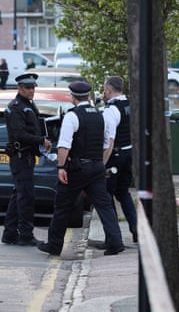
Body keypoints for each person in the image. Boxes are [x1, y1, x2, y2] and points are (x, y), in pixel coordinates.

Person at [38, 81, 125, 256]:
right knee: (104, 206)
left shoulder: (72, 116)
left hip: (77, 168)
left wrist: (61, 167)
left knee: (62, 206)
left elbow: (64, 145)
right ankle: (116, 242)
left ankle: (54, 245)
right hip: (97, 167)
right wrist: (101, 163)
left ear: (72, 96)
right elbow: (107, 142)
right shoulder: (100, 115)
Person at [1, 73, 51, 246]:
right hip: (20, 157)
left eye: (33, 88)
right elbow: (20, 134)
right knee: (26, 197)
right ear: (20, 88)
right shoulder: (15, 107)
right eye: (28, 88)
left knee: (19, 196)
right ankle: (26, 234)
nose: (32, 91)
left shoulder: (27, 105)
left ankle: (9, 233)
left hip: (27, 157)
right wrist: (41, 140)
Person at [102, 76, 137, 243]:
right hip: (129, 153)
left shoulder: (111, 110)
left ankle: (113, 236)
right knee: (123, 193)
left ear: (109, 89)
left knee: (107, 196)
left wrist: (102, 164)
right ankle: (136, 229)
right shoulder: (130, 104)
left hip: (114, 156)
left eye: (104, 88)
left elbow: (110, 140)